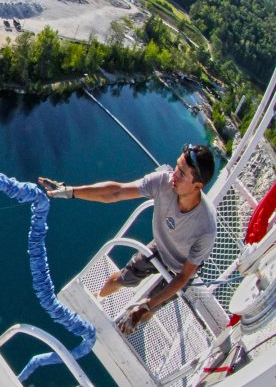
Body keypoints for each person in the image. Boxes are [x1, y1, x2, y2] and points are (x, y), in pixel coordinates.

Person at [38, 143, 216, 334]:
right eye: (176, 167)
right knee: (121, 278)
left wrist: (146, 306)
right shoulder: (163, 182)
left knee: (147, 309)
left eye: (181, 174)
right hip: (160, 247)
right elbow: (117, 191)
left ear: (198, 186)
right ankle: (99, 297)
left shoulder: (205, 227)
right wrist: (71, 191)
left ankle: (136, 318)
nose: (174, 175)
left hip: (181, 267)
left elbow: (183, 276)